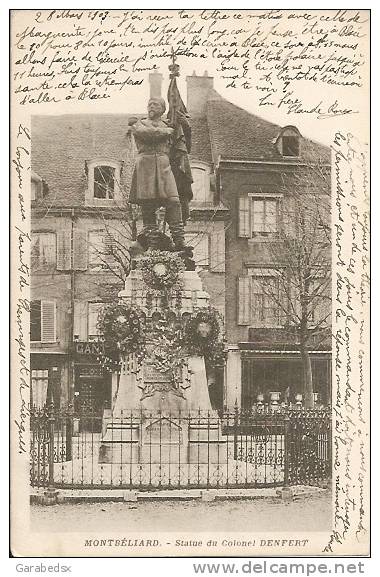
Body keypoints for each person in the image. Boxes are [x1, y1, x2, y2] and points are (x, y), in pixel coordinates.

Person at [128, 97, 192, 255]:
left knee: (174, 202)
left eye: (155, 104)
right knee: (148, 207)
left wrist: (185, 125)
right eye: (149, 104)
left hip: (164, 166)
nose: (151, 106)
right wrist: (167, 131)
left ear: (163, 109)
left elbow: (184, 144)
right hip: (146, 166)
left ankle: (179, 241)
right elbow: (146, 134)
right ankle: (153, 244)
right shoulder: (138, 123)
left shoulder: (170, 125)